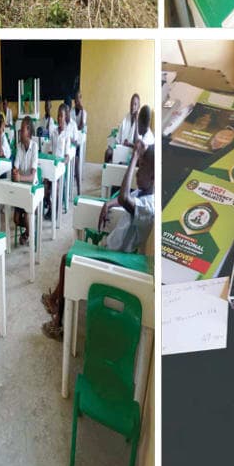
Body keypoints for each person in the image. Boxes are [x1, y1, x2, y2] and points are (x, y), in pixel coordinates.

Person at [41, 142, 155, 340]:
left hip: (118, 261)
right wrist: (109, 204)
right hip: (112, 252)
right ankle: (55, 300)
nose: (137, 170)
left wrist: (135, 155)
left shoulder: (149, 206)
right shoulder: (143, 194)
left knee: (67, 259)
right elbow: (122, 200)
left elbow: (125, 196)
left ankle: (58, 323)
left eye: (142, 166)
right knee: (70, 255)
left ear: (153, 177)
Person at [12, 116, 38, 246]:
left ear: (29, 131)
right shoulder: (19, 146)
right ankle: (30, 229)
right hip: (21, 187)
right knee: (16, 219)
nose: (20, 133)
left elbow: (33, 177)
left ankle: (28, 233)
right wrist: (15, 172)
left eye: (22, 130)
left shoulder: (34, 147)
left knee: (27, 215)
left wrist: (20, 177)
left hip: (31, 188)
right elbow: (16, 167)